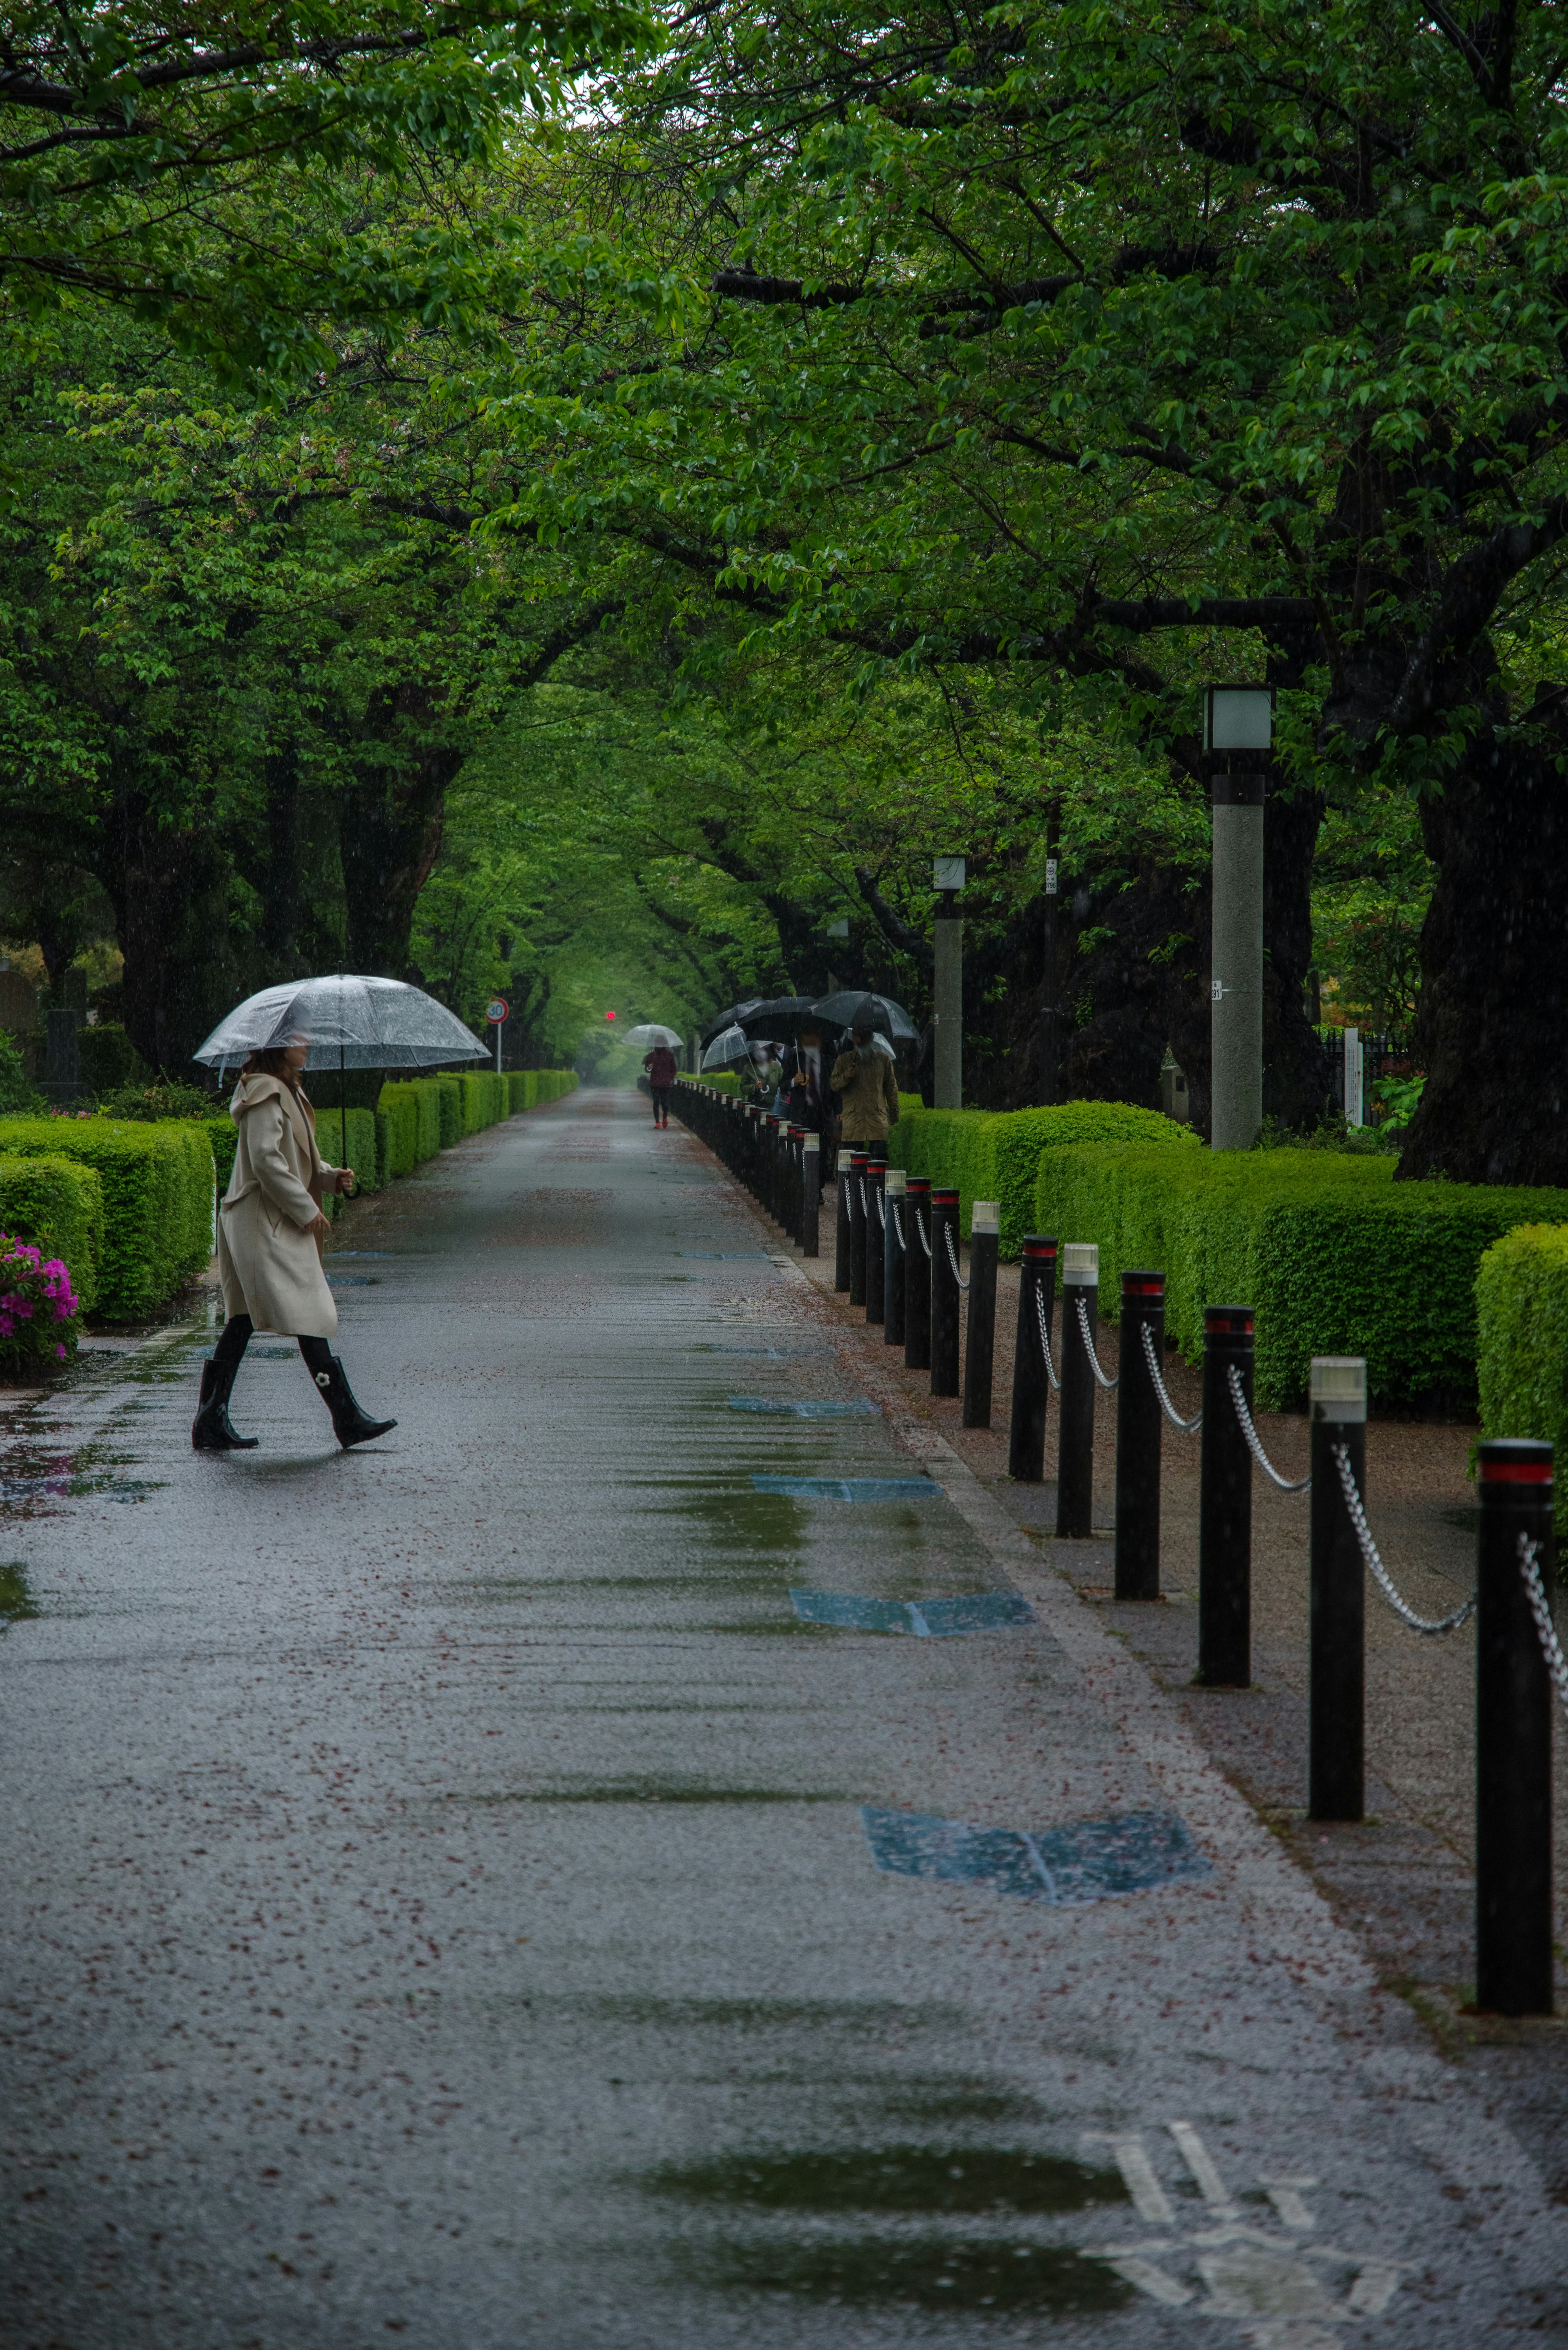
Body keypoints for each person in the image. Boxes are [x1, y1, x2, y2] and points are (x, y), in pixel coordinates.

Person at [192, 1036, 397, 1453]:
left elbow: (293, 1157)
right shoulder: (264, 1094)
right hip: (263, 1223)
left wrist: (327, 1176)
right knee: (305, 1312)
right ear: (279, 1046)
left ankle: (211, 1419)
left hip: (271, 1221)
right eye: (298, 1039)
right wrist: (306, 1208)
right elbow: (266, 1161)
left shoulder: (287, 1089)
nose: (307, 1045)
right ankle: (346, 1418)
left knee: (248, 1319)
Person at [830, 1024, 901, 1158]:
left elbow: (891, 1089)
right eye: (858, 1036)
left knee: (879, 1160)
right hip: (853, 1120)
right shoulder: (844, 1060)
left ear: (872, 1038)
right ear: (853, 1038)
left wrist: (894, 1114)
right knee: (854, 1162)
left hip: (877, 1119)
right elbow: (834, 1085)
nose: (862, 1040)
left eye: (866, 1036)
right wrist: (845, 1076)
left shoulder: (883, 1060)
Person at [644, 1040, 678, 1126]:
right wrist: (649, 1067)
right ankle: (657, 1122)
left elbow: (674, 1069)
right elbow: (647, 1070)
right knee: (656, 1102)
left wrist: (670, 1077)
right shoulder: (651, 1056)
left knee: (664, 1102)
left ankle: (665, 1117)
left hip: (665, 1084)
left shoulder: (669, 1055)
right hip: (655, 1083)